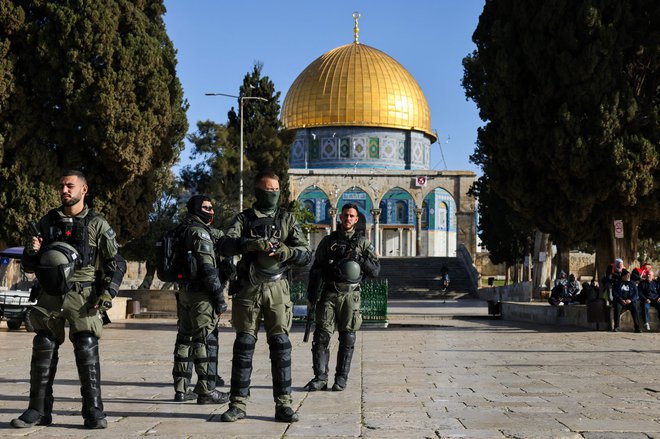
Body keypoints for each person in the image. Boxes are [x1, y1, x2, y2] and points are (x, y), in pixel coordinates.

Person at [12, 170, 126, 429]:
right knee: (43, 344)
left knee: (86, 345)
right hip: (49, 294)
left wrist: (107, 294)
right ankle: (38, 410)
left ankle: (94, 410)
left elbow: (116, 263)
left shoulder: (97, 223)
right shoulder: (47, 221)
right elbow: (30, 265)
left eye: (70, 186)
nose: (64, 190)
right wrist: (32, 251)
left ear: (83, 190)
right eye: (62, 185)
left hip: (83, 295)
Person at [216, 171, 311, 423]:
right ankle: (237, 404)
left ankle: (284, 405)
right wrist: (248, 244)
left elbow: (305, 254)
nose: (273, 194)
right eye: (268, 190)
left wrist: (287, 251)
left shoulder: (286, 219)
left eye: (276, 190)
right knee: (244, 346)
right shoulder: (243, 219)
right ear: (257, 191)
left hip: (278, 289)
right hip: (248, 288)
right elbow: (224, 244)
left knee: (281, 347)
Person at [304, 203, 380, 392]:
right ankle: (320, 377)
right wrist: (312, 295)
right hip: (329, 293)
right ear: (340, 217)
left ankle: (341, 378)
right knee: (321, 336)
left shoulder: (362, 243)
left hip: (350, 295)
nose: (348, 219)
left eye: (352, 216)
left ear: (356, 219)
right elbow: (316, 269)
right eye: (345, 215)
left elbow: (375, 271)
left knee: (348, 338)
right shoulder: (328, 242)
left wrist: (360, 259)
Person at [171, 195, 229, 404]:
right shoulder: (199, 232)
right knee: (203, 340)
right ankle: (206, 390)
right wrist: (219, 298)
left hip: (184, 292)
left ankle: (180, 389)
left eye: (212, 207)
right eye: (206, 207)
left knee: (184, 339)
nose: (211, 211)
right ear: (196, 208)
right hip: (201, 296)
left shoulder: (181, 229)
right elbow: (207, 268)